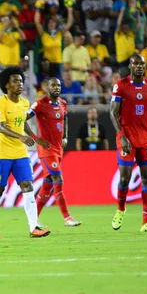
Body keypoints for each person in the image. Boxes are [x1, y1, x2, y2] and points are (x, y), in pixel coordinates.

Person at [0, 66, 51, 239]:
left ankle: (34, 227)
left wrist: (34, 138)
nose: (20, 84)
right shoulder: (0, 102)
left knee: (27, 186)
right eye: (15, 81)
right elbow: (1, 126)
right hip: (2, 153)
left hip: (20, 153)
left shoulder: (24, 103)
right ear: (6, 84)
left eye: (21, 81)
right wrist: (22, 137)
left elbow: (22, 122)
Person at [110, 54, 147, 232]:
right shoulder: (121, 85)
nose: (139, 67)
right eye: (136, 64)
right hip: (126, 137)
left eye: (142, 64)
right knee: (125, 178)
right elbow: (112, 112)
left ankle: (146, 222)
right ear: (130, 66)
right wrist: (121, 135)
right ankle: (120, 209)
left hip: (146, 139)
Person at [27, 77, 82, 227]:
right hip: (46, 149)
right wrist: (35, 138)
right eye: (53, 85)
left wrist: (65, 136)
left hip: (58, 149)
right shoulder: (40, 104)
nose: (56, 87)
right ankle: (67, 218)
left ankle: (34, 218)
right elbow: (23, 119)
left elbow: (65, 120)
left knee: (47, 184)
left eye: (58, 85)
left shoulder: (63, 103)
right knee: (58, 180)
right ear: (46, 87)